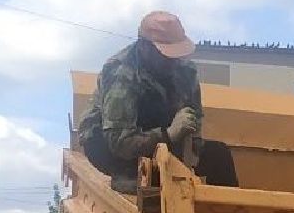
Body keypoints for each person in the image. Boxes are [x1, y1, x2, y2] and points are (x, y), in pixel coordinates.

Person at [78, 11, 204, 186]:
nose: (172, 61)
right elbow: (118, 140)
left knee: (218, 156)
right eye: (165, 55)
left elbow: (194, 120)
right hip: (112, 146)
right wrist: (169, 134)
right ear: (145, 47)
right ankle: (130, 178)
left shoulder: (185, 71)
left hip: (163, 141)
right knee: (149, 108)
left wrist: (191, 160)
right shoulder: (121, 73)